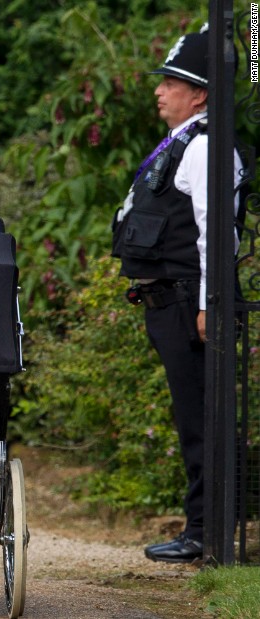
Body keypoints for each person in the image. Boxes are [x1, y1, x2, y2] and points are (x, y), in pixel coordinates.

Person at [112, 24, 243, 564]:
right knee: (191, 416)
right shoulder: (185, 142)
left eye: (173, 82)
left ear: (201, 94)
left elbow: (219, 233)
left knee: (201, 419)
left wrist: (212, 304)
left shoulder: (207, 146)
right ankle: (203, 526)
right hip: (171, 300)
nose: (160, 90)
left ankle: (207, 533)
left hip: (191, 302)